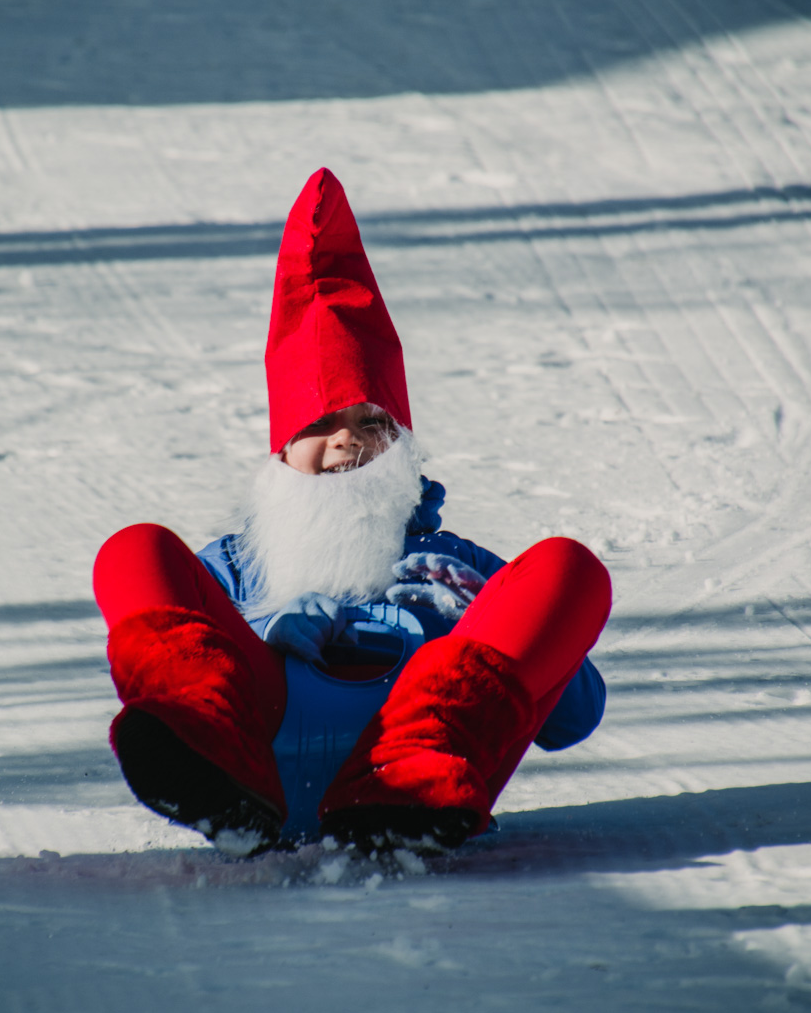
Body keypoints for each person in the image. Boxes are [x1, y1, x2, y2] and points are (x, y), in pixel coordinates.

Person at [92, 168, 612, 857]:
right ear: (281, 449)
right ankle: (222, 775)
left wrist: (477, 623)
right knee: (135, 551)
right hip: (255, 767)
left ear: (403, 448)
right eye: (319, 423)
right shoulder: (234, 566)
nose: (346, 441)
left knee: (567, 568)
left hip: (418, 779)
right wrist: (263, 631)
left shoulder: (453, 565)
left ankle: (405, 785)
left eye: (371, 422)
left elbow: (573, 718)